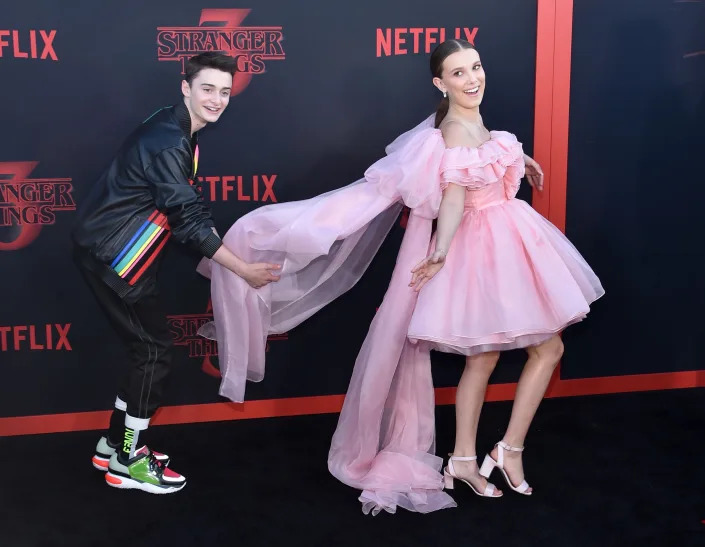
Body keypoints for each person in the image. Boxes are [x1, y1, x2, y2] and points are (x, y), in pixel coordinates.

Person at [198, 40, 603, 513]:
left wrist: (517, 158)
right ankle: (467, 460)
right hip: (480, 249)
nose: (472, 79)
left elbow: (486, 154)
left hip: (511, 239)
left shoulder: (471, 121)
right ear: (440, 83)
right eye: (458, 74)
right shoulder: (451, 129)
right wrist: (442, 252)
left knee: (538, 348)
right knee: (485, 357)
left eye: (475, 67)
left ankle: (505, 450)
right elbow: (453, 196)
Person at [72, 52, 280, 494]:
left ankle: (113, 444)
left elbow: (180, 211)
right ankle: (128, 459)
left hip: (109, 247)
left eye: (225, 91)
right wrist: (242, 269)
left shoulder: (174, 125)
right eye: (208, 88)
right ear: (185, 87)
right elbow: (186, 217)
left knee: (144, 350)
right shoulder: (169, 139)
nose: (217, 99)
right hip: (117, 256)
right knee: (153, 352)